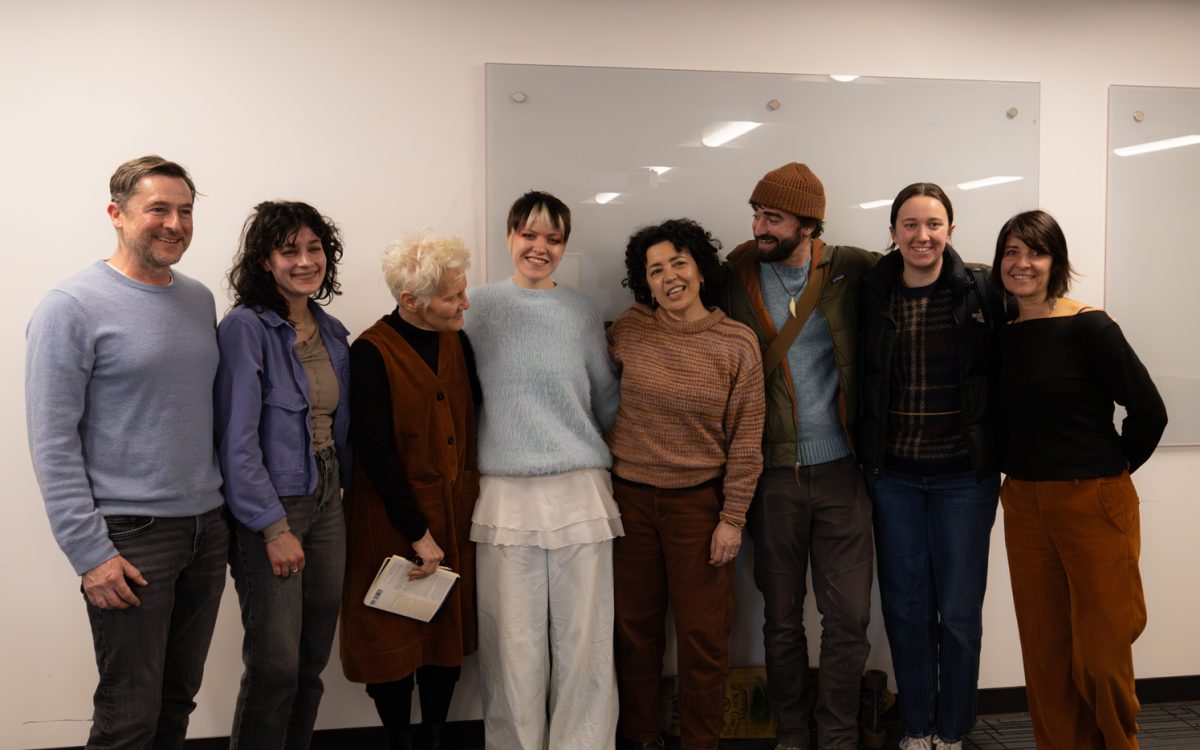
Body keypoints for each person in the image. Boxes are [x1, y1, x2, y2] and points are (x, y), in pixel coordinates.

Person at [25, 155, 227, 748]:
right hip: (130, 537)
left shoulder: (198, 300)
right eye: (157, 209)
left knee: (176, 703)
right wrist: (90, 553)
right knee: (128, 712)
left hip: (206, 529)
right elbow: (52, 439)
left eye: (185, 211)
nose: (174, 223)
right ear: (116, 214)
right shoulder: (72, 306)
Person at [991, 210, 1166, 750]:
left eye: (1035, 253)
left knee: (1101, 652)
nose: (1022, 264)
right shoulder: (1002, 336)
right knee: (1044, 655)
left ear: (1055, 262)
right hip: (1023, 503)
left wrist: (1104, 475)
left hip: (1092, 499)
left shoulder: (1091, 326)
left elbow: (1148, 412)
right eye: (1012, 253)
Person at [722, 162, 878, 750]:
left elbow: (932, 272)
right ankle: (792, 735)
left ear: (809, 224)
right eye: (756, 213)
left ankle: (836, 736)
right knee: (781, 619)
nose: (759, 226)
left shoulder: (852, 268)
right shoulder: (734, 274)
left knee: (848, 621)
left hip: (841, 471)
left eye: (773, 217)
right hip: (771, 476)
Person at [465, 191, 622, 750]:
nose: (540, 247)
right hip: (506, 493)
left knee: (585, 643)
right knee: (513, 644)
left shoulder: (580, 311)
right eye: (529, 234)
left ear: (564, 246)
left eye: (553, 238)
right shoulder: (476, 308)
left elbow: (606, 399)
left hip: (580, 490)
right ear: (509, 236)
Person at [856, 184, 1006, 750]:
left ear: (951, 229)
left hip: (964, 479)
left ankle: (954, 730)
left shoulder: (981, 288)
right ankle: (917, 727)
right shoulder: (871, 289)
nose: (923, 236)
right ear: (893, 231)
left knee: (961, 614)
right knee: (906, 607)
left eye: (934, 224)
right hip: (893, 476)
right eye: (910, 224)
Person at [608, 218, 765, 750]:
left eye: (678, 263)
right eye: (655, 270)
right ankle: (642, 739)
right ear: (644, 283)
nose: (669, 277)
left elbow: (747, 443)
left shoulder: (736, 343)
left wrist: (732, 519)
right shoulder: (628, 329)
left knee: (702, 639)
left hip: (700, 509)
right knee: (634, 635)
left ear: (700, 269)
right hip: (628, 503)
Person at [214, 201, 351, 750]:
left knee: (311, 662)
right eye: (289, 250)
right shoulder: (246, 327)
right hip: (273, 505)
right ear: (265, 260)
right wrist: (272, 527)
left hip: (327, 500)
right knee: (274, 667)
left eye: (314, 248)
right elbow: (235, 440)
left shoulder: (334, 331)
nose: (304, 260)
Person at [339, 229, 481, 750]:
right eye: (452, 297)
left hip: (452, 515)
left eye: (463, 291)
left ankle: (437, 737)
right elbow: (375, 454)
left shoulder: (458, 339)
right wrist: (417, 532)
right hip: (391, 523)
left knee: (445, 639)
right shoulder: (370, 353)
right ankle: (399, 738)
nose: (465, 303)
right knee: (393, 642)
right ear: (410, 301)